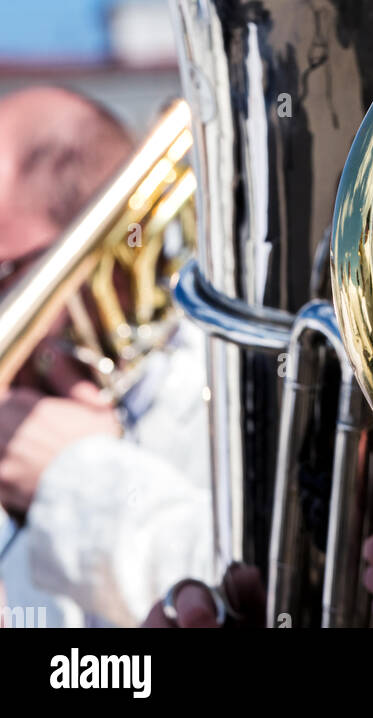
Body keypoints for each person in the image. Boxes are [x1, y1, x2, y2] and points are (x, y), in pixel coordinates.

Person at [0, 85, 212, 627]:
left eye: (3, 275)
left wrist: (72, 476)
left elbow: (255, 590)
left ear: (107, 250)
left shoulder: (218, 388)